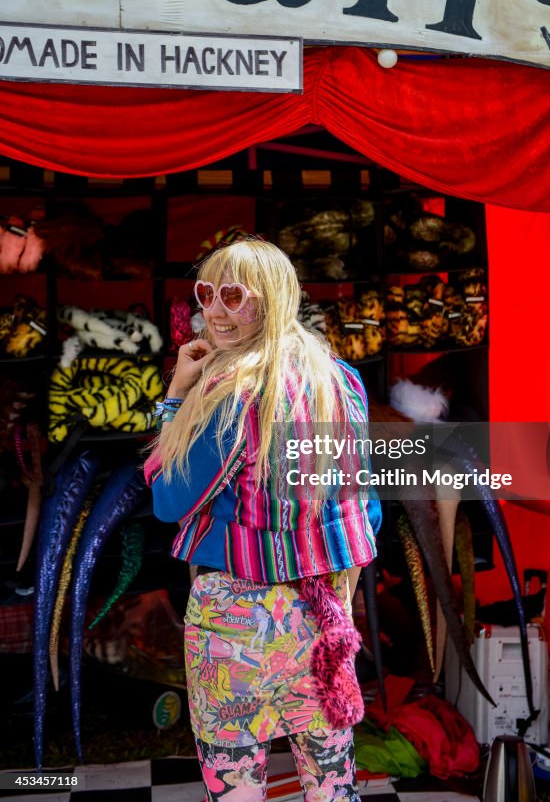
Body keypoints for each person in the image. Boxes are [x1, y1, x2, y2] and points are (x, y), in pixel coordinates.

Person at [144, 239, 381, 802]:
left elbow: (168, 499)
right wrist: (342, 597)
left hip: (234, 624)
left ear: (271, 300)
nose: (215, 311)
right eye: (206, 293)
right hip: (322, 613)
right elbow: (363, 504)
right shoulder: (341, 381)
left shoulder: (232, 395)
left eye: (233, 296)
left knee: (237, 789)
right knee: (332, 787)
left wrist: (175, 397)